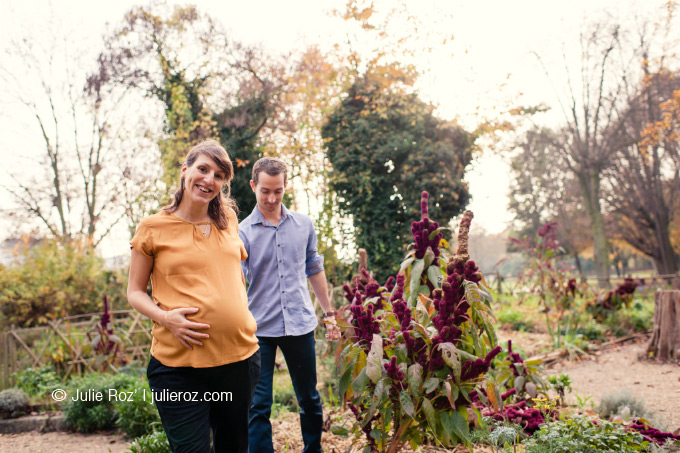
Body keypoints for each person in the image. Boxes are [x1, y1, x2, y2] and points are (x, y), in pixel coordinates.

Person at [127, 139, 260, 453]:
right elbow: (134, 292)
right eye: (203, 169)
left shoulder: (227, 223)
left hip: (238, 361)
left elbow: (235, 278)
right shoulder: (153, 227)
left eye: (218, 175)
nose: (209, 179)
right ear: (185, 170)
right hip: (178, 368)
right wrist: (165, 318)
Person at [239, 157, 341, 453]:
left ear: (285, 187)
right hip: (258, 330)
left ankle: (313, 449)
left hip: (299, 325)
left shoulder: (304, 225)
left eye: (278, 191)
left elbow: (314, 268)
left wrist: (329, 313)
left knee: (309, 397)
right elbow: (235, 281)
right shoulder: (242, 232)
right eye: (265, 191)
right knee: (258, 405)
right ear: (253, 186)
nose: (271, 198)